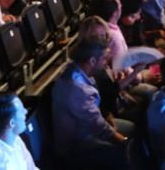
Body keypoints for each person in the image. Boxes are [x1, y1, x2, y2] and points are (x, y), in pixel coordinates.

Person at [51, 35, 133, 169]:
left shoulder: (76, 70)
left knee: (129, 128)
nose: (106, 63)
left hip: (85, 130)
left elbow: (93, 113)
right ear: (93, 60)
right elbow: (98, 126)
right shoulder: (77, 89)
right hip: (75, 146)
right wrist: (123, 141)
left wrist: (107, 116)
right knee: (122, 156)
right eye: (104, 59)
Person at [0, 94, 37, 170]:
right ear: (12, 123)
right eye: (21, 111)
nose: (25, 111)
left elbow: (31, 167)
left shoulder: (15, 138)